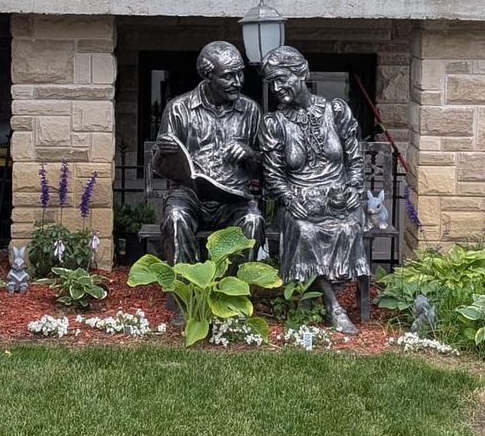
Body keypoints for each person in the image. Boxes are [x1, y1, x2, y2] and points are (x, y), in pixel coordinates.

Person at [259, 45, 370, 334]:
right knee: (305, 231)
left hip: (337, 198)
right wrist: (287, 197)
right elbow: (273, 174)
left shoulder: (335, 111)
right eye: (271, 82)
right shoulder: (274, 123)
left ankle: (317, 299)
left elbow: (354, 158)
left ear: (302, 74)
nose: (276, 87)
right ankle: (334, 306)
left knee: (348, 227)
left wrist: (354, 188)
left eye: (282, 79)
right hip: (298, 200)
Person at [151, 41, 266, 265]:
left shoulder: (251, 111)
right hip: (189, 196)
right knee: (175, 218)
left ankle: (233, 294)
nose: (237, 82)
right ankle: (185, 294)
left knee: (252, 219)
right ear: (207, 75)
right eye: (228, 76)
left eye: (240, 74)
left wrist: (250, 154)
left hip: (234, 200)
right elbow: (160, 168)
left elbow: (267, 167)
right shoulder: (179, 109)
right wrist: (164, 153)